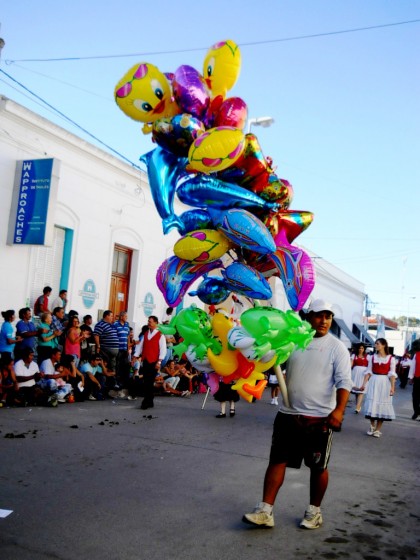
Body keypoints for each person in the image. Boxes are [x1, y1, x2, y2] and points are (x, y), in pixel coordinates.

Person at [242, 299, 352, 530]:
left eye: (328, 316)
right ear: (308, 316)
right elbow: (273, 362)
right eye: (319, 315)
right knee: (276, 461)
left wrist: (339, 411)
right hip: (288, 414)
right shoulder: (292, 342)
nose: (324, 321)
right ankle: (265, 510)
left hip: (319, 418)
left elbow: (344, 382)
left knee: (318, 467)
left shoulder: (336, 347)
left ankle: (314, 512)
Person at [360, 338, 397, 438]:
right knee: (372, 403)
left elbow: (392, 374)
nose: (376, 345)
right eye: (375, 344)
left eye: (377, 344)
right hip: (374, 381)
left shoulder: (391, 358)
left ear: (384, 345)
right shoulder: (372, 357)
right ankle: (372, 426)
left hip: (385, 382)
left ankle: (378, 429)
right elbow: (368, 371)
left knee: (382, 405)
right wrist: (363, 384)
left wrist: (392, 387)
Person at [134, 315, 167, 410]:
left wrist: (159, 362)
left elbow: (163, 350)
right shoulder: (145, 334)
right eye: (148, 321)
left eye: (151, 321)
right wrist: (135, 356)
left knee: (150, 381)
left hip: (154, 361)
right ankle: (150, 399)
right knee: (146, 381)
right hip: (145, 360)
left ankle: (146, 401)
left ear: (156, 323)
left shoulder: (160, 335)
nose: (149, 323)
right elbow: (140, 346)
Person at [93, 310, 119, 377]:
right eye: (111, 316)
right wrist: (98, 346)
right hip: (105, 349)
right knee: (104, 365)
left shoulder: (111, 325)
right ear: (106, 316)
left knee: (112, 368)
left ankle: (112, 383)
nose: (112, 318)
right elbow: (96, 335)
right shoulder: (100, 324)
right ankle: (104, 382)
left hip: (113, 352)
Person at [350, 343, 369, 413]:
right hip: (355, 374)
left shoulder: (367, 356)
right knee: (356, 391)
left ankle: (357, 407)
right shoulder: (354, 355)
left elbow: (370, 366)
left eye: (362, 348)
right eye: (359, 348)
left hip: (363, 374)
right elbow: (350, 364)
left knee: (361, 391)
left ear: (364, 349)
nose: (361, 349)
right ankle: (358, 405)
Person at [114, 311, 131, 387]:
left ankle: (124, 382)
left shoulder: (127, 325)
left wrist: (128, 348)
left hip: (125, 349)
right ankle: (117, 382)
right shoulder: (115, 324)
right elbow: (114, 336)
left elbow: (128, 337)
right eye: (125, 317)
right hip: (118, 349)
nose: (126, 318)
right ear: (121, 317)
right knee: (117, 365)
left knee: (125, 365)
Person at [407, 351, 420, 420]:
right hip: (418, 377)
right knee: (415, 396)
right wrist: (411, 377)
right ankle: (416, 411)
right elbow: (413, 366)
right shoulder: (417, 354)